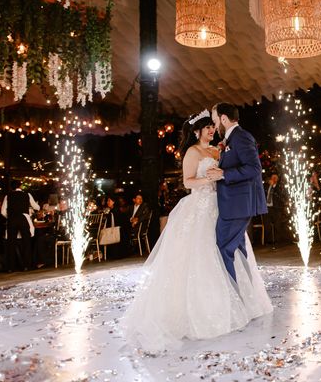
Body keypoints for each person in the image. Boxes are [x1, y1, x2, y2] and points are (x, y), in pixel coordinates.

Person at [123, 110, 271, 353]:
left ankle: (240, 300)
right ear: (196, 132)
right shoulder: (193, 152)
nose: (212, 130)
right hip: (200, 208)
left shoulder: (218, 150)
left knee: (228, 251)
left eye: (212, 126)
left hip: (223, 207)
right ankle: (210, 309)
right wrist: (211, 180)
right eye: (206, 128)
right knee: (202, 256)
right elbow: (188, 182)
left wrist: (221, 176)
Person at [207, 102, 270, 284]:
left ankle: (232, 299)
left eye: (214, 120)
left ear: (224, 119)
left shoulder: (241, 137)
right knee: (238, 250)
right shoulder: (231, 139)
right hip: (235, 205)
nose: (214, 125)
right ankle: (248, 297)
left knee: (223, 249)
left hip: (237, 205)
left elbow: (254, 168)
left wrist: (224, 173)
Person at [1, 180, 39, 272]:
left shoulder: (8, 196)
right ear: (20, 186)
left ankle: (10, 268)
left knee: (11, 244)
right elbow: (36, 207)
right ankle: (26, 266)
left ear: (12, 187)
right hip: (23, 219)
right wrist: (37, 208)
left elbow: (3, 212)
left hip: (12, 219)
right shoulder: (27, 195)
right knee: (26, 243)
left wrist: (10, 217)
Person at [264, 173, 288, 244]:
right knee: (267, 224)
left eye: (275, 178)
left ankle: (278, 240)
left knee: (277, 224)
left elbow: (280, 195)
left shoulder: (279, 187)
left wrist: (273, 186)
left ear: (277, 179)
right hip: (267, 207)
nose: (274, 179)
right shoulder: (266, 186)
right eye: (273, 177)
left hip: (276, 208)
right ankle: (269, 240)